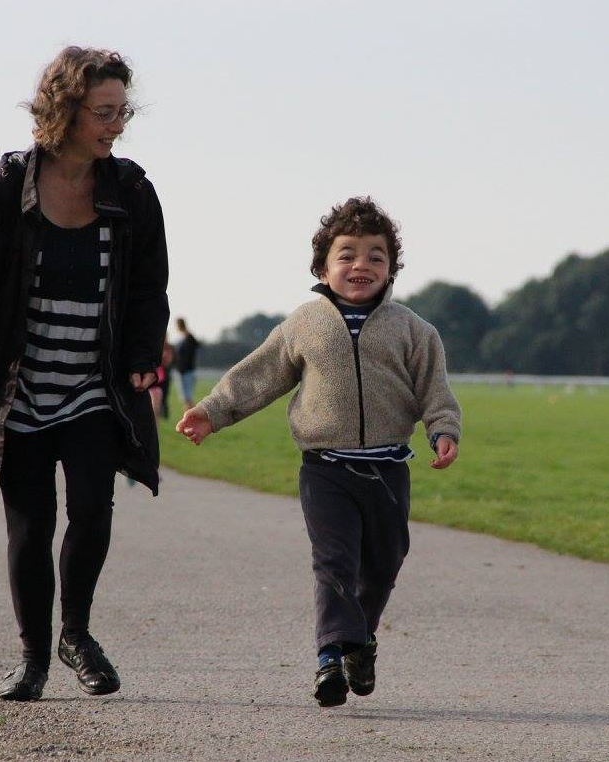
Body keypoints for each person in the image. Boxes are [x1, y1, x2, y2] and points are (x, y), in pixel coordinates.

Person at [0, 46, 169, 703]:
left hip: (95, 387)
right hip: (21, 388)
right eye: (102, 111)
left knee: (92, 510)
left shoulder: (131, 190)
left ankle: (76, 635)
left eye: (122, 111)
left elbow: (150, 288)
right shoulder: (9, 187)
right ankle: (34, 658)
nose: (115, 124)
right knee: (30, 527)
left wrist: (144, 355)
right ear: (63, 109)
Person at [176, 197, 462, 708]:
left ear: (391, 268)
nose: (361, 265)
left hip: (388, 469)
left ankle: (361, 642)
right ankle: (329, 657)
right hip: (325, 470)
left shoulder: (415, 331)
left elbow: (435, 391)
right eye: (347, 254)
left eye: (376, 256)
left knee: (383, 565)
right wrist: (212, 412)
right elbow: (258, 376)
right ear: (323, 267)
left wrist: (443, 429)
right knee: (334, 561)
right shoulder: (305, 324)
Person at [173, 317, 198, 408]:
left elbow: (196, 346)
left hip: (187, 371)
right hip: (181, 371)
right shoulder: (181, 339)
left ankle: (192, 419)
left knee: (188, 397)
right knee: (185, 398)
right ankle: (188, 419)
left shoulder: (189, 337)